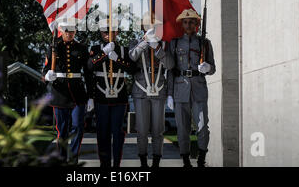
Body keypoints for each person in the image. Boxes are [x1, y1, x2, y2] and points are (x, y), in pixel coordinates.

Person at [166, 9, 216, 168]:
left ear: (196, 24)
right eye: (185, 22)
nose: (188, 25)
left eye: (191, 22)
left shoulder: (205, 43)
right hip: (180, 91)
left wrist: (207, 68)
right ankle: (186, 160)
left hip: (199, 89)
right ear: (182, 24)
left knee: (202, 126)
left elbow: (213, 68)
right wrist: (169, 94)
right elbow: (170, 70)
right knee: (182, 129)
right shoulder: (174, 43)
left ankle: (201, 159)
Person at [42, 17, 91, 164]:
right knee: (62, 130)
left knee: (77, 127)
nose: (70, 34)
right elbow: (44, 70)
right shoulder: (53, 47)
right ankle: (62, 158)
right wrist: (47, 75)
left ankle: (74, 158)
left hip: (77, 93)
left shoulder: (81, 48)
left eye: (73, 31)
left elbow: (87, 73)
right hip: (60, 92)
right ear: (62, 31)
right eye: (67, 31)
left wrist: (91, 96)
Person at [87, 18, 135, 167]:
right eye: (105, 31)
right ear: (102, 33)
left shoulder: (124, 50)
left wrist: (118, 59)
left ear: (117, 32)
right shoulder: (96, 48)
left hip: (119, 98)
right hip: (101, 97)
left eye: (112, 31)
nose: (109, 34)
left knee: (118, 133)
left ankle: (116, 165)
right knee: (103, 134)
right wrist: (104, 53)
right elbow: (89, 67)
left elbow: (132, 69)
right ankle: (105, 164)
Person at [129, 12, 174, 168]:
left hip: (159, 89)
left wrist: (158, 49)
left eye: (155, 26)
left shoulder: (165, 44)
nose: (152, 28)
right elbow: (132, 57)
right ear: (143, 27)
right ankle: (143, 161)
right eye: (149, 26)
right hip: (141, 89)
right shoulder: (135, 41)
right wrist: (145, 42)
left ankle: (156, 161)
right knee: (141, 129)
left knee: (158, 130)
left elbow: (170, 65)